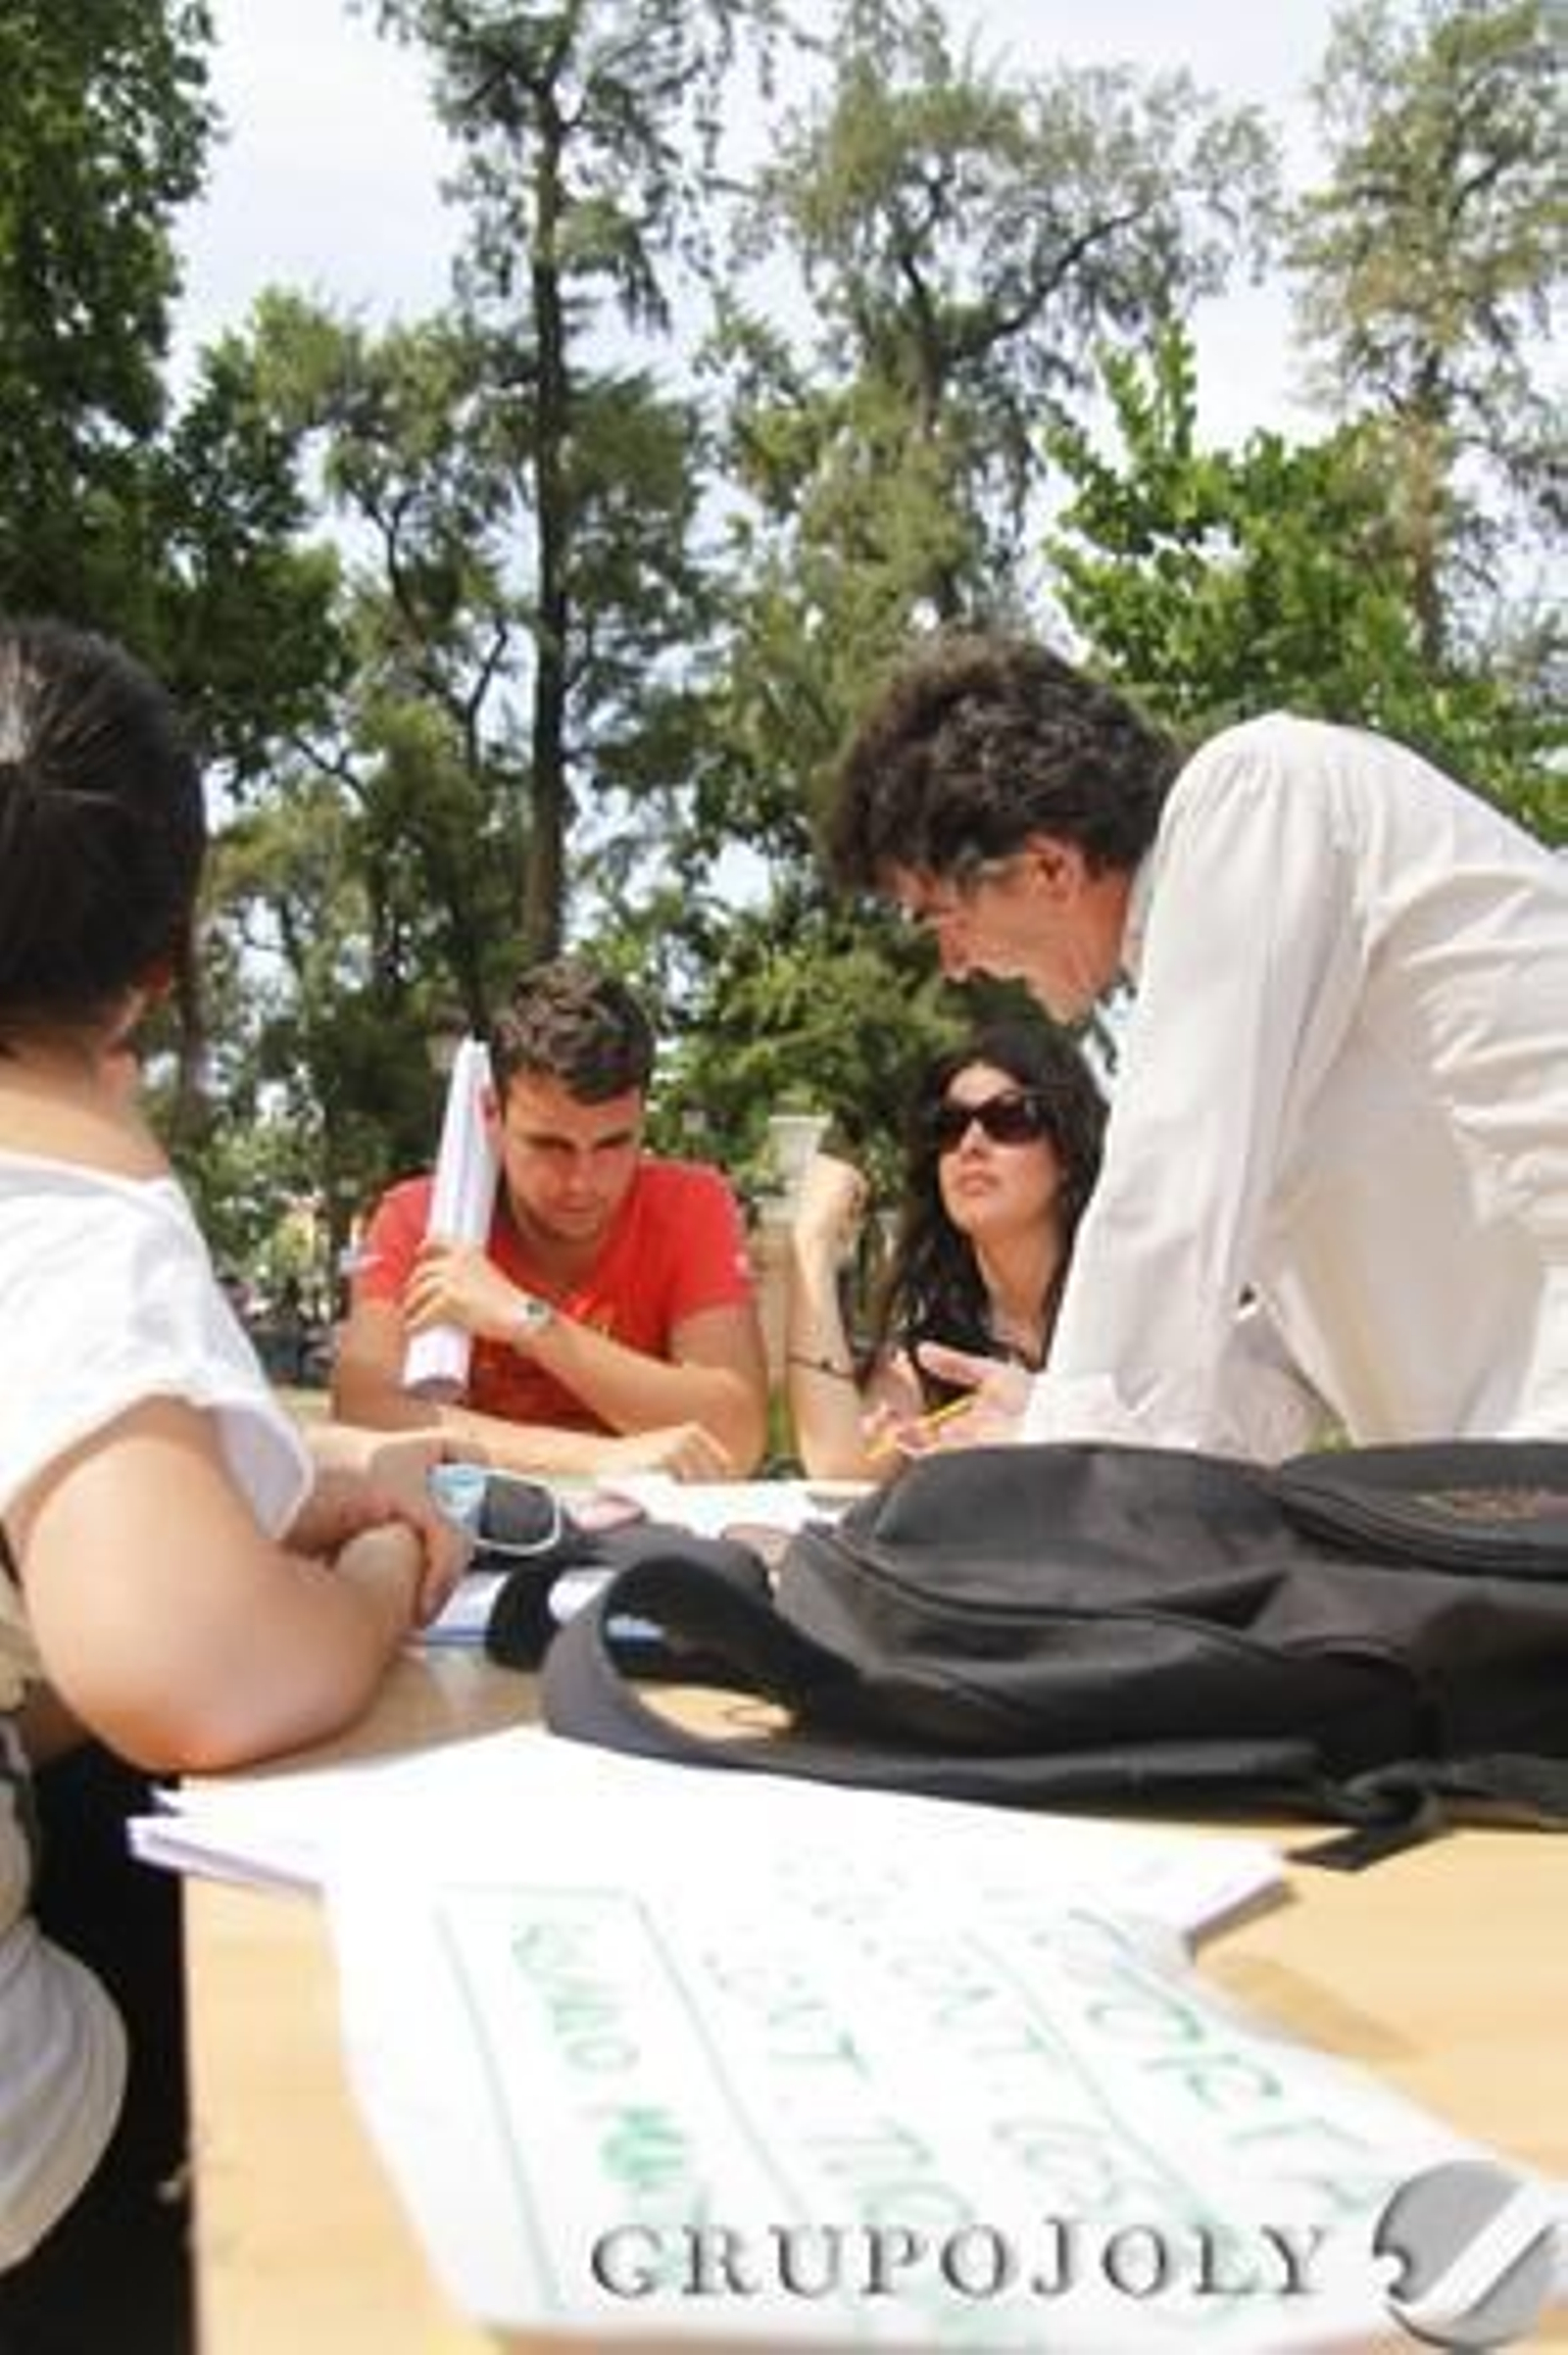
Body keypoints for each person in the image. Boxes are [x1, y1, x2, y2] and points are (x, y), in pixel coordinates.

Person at [0, 617, 466, 2354]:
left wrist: (241, 1502)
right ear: (163, 960)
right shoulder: (68, 1198)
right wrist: (371, 1581)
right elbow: (186, 1663)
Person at [828, 630, 1568, 1457]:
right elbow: (1301, 1357)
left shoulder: (1254, 794)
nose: (954, 964)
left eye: (941, 916)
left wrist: (1065, 1438)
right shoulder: (1257, 957)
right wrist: (1054, 1409)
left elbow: (1167, 1196)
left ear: (1049, 867)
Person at [334, 957, 771, 1480]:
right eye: (550, 1145)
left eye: (614, 1143)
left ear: (642, 1118)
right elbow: (365, 1410)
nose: (583, 1181)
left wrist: (528, 1321)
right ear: (492, 1116)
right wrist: (600, 1458)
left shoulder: (690, 1204)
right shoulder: (419, 1218)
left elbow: (735, 1437)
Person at [787, 1022, 1105, 1479]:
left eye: (1009, 1119)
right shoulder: (939, 1350)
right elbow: (841, 1468)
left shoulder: (1126, 1318)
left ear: (1068, 1153)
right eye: (950, 1125)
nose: (971, 1145)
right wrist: (812, 1243)